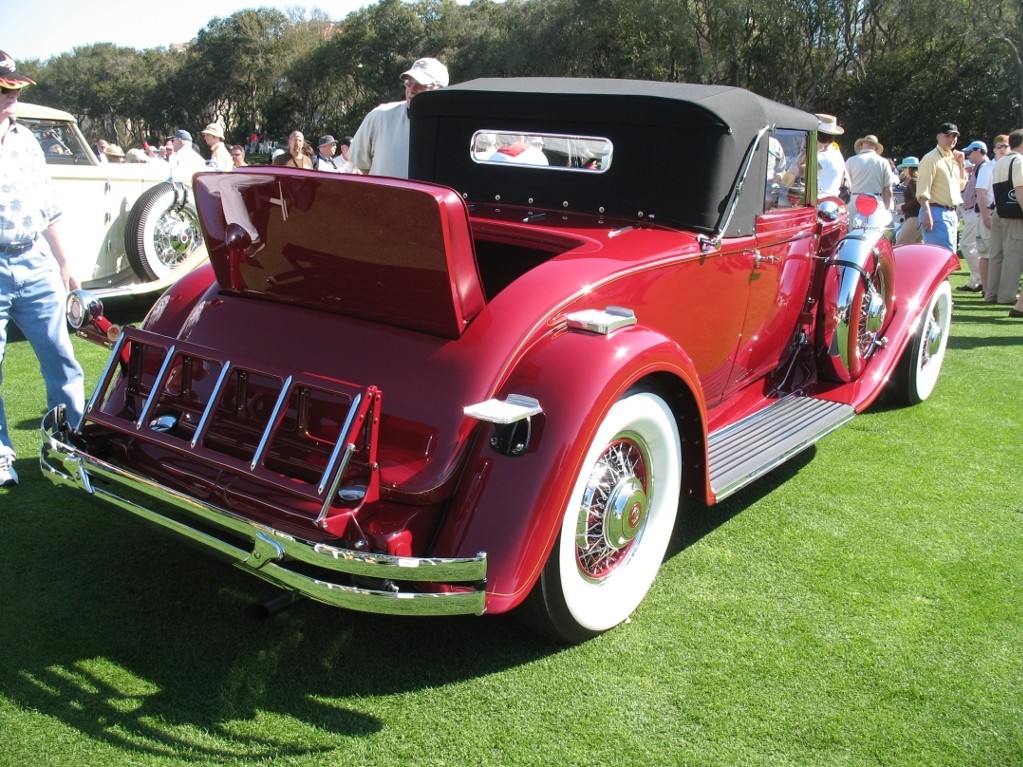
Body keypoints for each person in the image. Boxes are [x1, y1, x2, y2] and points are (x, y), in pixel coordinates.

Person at [0, 49, 85, 486]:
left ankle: (71, 443)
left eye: (12, 87)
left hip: (33, 260)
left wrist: (65, 263)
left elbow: (48, 209)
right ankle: (0, 455)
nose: (10, 97)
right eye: (3, 89)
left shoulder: (27, 140)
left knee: (62, 358)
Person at [350, 57, 449, 178]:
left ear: (441, 89)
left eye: (421, 84)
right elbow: (360, 167)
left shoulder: (453, 125)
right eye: (409, 83)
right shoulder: (380, 116)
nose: (412, 90)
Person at [985, 129, 1023, 307]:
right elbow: (1020, 189)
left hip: (999, 212)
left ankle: (991, 293)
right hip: (1014, 214)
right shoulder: (1019, 161)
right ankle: (1007, 295)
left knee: (996, 255)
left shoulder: (1000, 161)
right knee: (1013, 255)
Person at [916, 122, 967, 253]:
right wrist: (927, 213)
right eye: (948, 135)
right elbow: (923, 189)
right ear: (938, 136)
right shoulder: (930, 158)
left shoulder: (954, 159)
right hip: (935, 211)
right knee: (941, 257)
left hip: (951, 212)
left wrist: (961, 165)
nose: (952, 139)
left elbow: (960, 186)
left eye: (954, 136)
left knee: (948, 258)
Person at [976, 135, 1010, 294]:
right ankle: (986, 288)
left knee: (1003, 254)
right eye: (999, 147)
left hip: (1006, 215)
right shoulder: (988, 168)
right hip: (989, 212)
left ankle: (999, 288)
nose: (1002, 149)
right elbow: (980, 193)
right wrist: (985, 216)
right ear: (994, 149)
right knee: (986, 253)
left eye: (1005, 146)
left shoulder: (1011, 166)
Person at [958, 140, 989, 292]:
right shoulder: (979, 167)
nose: (968, 155)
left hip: (976, 212)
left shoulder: (984, 167)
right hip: (972, 211)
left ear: (979, 151)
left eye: (970, 152)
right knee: (974, 247)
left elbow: (982, 192)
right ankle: (977, 279)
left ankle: (981, 279)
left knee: (967, 245)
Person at [845, 133, 893, 211]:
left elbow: (844, 186)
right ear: (876, 148)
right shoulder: (883, 162)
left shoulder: (850, 161)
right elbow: (888, 190)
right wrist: (887, 210)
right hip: (876, 201)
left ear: (861, 145)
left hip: (854, 201)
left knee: (852, 223)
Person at [814, 113, 848, 199]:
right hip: (832, 201)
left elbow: (799, 171)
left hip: (820, 202)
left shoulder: (822, 156)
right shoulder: (836, 153)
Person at [895, 157, 922, 244]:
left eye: (904, 168)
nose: (903, 171)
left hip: (914, 218)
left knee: (900, 245)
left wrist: (902, 207)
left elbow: (917, 201)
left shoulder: (912, 182)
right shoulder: (918, 181)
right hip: (918, 218)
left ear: (908, 168)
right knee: (917, 248)